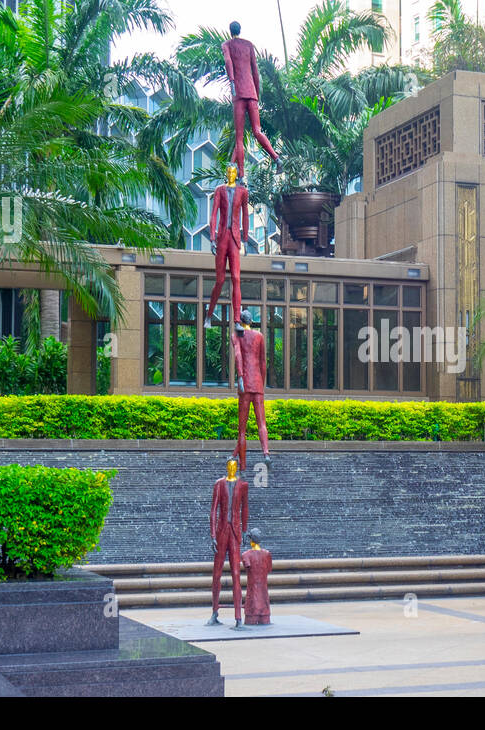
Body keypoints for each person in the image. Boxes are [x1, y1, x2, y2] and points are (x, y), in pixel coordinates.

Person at [221, 21, 280, 178]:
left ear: (230, 31)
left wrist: (232, 81)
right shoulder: (249, 45)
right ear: (240, 30)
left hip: (239, 93)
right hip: (252, 92)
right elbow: (255, 71)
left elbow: (228, 62)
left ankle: (241, 175)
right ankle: (276, 158)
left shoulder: (226, 44)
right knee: (257, 130)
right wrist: (256, 93)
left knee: (239, 137)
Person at [204, 164, 249, 329]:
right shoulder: (220, 190)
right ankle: (209, 315)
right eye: (229, 172)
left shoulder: (243, 192)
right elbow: (214, 214)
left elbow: (245, 215)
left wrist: (245, 239)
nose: (231, 174)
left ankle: (237, 320)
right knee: (220, 280)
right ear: (226, 174)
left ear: (237, 174)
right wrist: (212, 238)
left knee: (236, 278)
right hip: (222, 237)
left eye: (233, 172)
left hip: (235, 238)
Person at [206, 457, 248, 630]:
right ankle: (214, 612)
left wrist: (244, 530)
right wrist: (213, 534)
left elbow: (245, 508)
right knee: (216, 574)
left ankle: (239, 617)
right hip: (222, 531)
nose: (232, 468)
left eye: (234, 466)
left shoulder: (243, 485)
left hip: (235, 533)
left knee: (236, 574)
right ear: (226, 467)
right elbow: (213, 510)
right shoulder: (219, 484)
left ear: (237, 468)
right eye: (229, 466)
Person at [232, 309, 271, 470]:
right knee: (261, 422)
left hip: (245, 384)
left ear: (241, 321)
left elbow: (238, 356)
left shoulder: (237, 336)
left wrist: (240, 377)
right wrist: (261, 383)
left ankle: (242, 466)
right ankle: (266, 453)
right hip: (257, 383)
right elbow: (263, 362)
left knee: (242, 428)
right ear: (251, 321)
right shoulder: (259, 336)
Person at [241, 528, 273, 625]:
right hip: (263, 588)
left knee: (252, 609)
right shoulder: (267, 554)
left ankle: (252, 617)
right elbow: (269, 569)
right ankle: (264, 617)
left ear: (251, 540)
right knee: (263, 599)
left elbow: (247, 567)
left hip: (252, 589)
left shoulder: (245, 555)